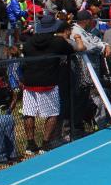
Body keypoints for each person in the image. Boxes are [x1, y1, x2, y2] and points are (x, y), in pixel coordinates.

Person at [22, 12, 80, 153]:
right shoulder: (58, 42)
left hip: (29, 81)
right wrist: (77, 39)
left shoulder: (29, 42)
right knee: (53, 113)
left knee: (29, 113)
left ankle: (30, 144)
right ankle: (45, 143)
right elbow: (73, 50)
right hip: (49, 81)